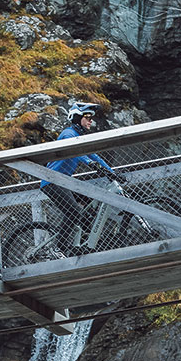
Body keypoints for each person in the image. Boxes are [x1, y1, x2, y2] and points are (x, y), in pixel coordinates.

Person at [40, 102, 121, 255]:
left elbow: (94, 156)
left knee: (90, 200)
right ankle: (60, 248)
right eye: (88, 117)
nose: (91, 121)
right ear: (78, 118)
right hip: (52, 182)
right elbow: (76, 152)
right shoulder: (68, 133)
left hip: (64, 182)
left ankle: (82, 239)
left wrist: (111, 173)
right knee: (73, 211)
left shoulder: (78, 137)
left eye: (91, 118)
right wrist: (90, 163)